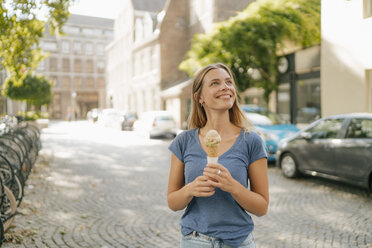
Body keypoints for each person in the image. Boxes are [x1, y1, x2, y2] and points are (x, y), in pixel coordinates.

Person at [167, 63, 269, 248]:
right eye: (215, 83)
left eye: (229, 82)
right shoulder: (184, 141)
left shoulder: (251, 141)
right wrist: (190, 189)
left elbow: (262, 207)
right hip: (194, 241)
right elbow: (173, 202)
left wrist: (234, 187)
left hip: (238, 242)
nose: (225, 87)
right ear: (200, 98)